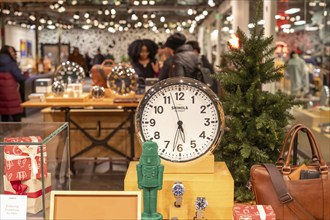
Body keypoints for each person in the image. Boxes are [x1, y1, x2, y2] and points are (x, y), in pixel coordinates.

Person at [0, 45, 26, 122]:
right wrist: (26, 75)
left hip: (1, 94)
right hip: (12, 93)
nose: (13, 53)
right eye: (11, 51)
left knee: (4, 116)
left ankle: (4, 133)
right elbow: (20, 77)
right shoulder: (11, 64)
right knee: (16, 116)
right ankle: (17, 132)